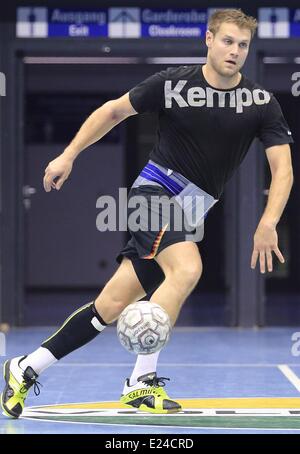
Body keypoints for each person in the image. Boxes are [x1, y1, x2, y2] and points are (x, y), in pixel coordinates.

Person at [1, 9, 294, 418]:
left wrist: (268, 222)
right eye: (227, 41)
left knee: (109, 306)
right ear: (208, 40)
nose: (235, 51)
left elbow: (283, 168)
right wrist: (68, 155)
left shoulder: (261, 103)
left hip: (192, 210)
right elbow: (112, 111)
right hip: (154, 192)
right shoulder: (172, 84)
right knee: (187, 269)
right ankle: (141, 382)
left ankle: (25, 367)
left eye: (243, 45)